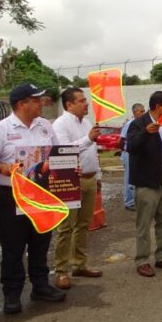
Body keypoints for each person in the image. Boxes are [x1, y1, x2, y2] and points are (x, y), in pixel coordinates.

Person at [0, 83, 66, 314]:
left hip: (41, 193)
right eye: (36, 99)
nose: (42, 103)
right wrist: (4, 168)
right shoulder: (1, 130)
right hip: (13, 196)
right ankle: (12, 293)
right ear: (22, 104)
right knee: (13, 246)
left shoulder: (45, 126)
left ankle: (40, 286)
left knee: (41, 241)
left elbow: (58, 152)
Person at [51, 87, 103, 290]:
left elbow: (93, 152)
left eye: (85, 100)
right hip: (70, 181)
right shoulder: (60, 124)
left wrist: (98, 175)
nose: (86, 103)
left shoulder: (87, 123)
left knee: (83, 224)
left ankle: (80, 264)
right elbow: (62, 151)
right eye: (81, 101)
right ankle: (61, 270)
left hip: (89, 179)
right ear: (69, 104)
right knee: (66, 227)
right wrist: (88, 138)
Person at [126, 91, 162, 277]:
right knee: (144, 223)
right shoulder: (138, 123)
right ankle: (142, 260)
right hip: (147, 181)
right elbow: (130, 147)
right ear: (159, 106)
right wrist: (145, 133)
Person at [118, 103, 145, 211]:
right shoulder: (130, 124)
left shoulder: (141, 123)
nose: (143, 113)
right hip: (129, 153)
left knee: (136, 177)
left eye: (144, 111)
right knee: (129, 178)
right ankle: (129, 202)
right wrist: (124, 150)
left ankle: (135, 200)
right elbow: (120, 140)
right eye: (141, 111)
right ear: (134, 112)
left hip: (137, 153)